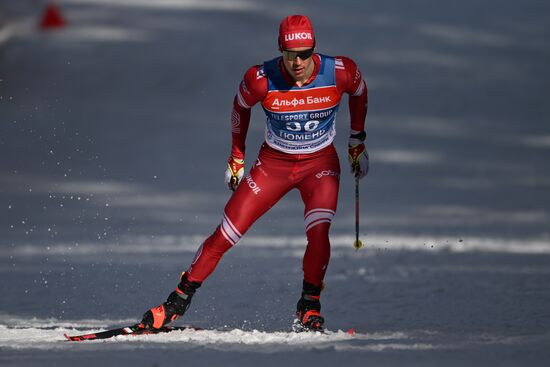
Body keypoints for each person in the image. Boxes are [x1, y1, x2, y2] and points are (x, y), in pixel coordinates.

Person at [140, 14, 369, 332]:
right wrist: (237, 157)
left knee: (319, 232)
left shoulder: (340, 71)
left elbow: (359, 91)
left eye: (305, 54)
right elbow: (239, 108)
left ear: (314, 50)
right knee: (226, 233)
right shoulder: (261, 78)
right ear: (281, 52)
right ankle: (176, 303)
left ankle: (309, 306)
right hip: (273, 164)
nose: (298, 62)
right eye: (291, 55)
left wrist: (357, 139)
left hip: (320, 164)